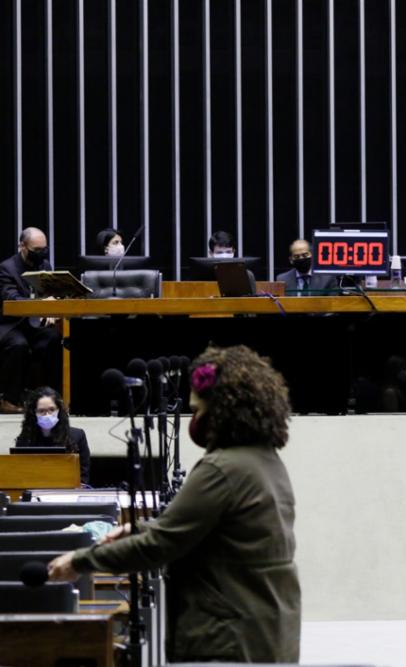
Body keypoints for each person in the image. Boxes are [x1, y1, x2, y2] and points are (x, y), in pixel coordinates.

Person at [47, 344, 301, 663]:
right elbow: (204, 530)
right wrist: (137, 528)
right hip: (266, 631)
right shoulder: (266, 462)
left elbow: (161, 544)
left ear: (222, 409)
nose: (194, 418)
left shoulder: (222, 468)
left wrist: (80, 561)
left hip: (230, 640)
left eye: (197, 409)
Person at [0, 227, 61, 413]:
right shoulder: (7, 268)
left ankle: (51, 397)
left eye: (45, 249)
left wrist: (51, 309)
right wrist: (41, 304)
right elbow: (11, 299)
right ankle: (8, 400)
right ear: (22, 247)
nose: (42, 254)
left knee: (53, 340)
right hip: (10, 324)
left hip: (35, 324)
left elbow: (51, 294)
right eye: (37, 250)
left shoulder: (45, 266)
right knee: (19, 345)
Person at [14, 386, 91, 486]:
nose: (47, 415)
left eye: (51, 409)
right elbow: (19, 476)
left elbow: (83, 477)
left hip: (67, 495)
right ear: (34, 413)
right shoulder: (24, 440)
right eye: (41, 411)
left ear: (59, 410)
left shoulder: (77, 436)